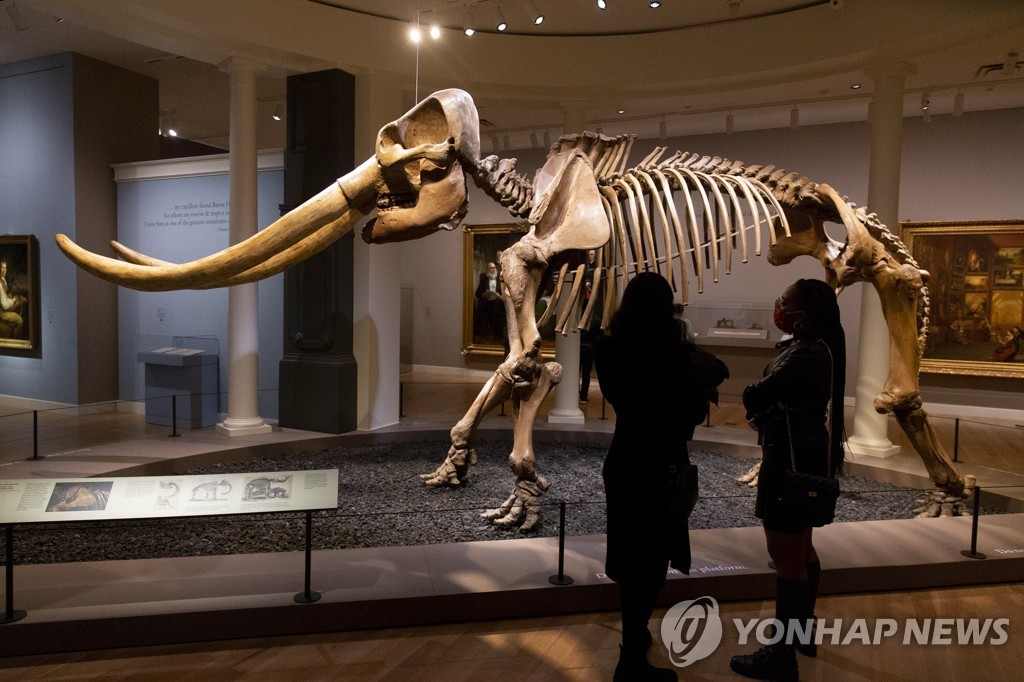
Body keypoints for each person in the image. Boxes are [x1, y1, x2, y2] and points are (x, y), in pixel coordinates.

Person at [595, 272, 728, 681]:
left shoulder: (610, 346)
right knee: (650, 561)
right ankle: (631, 659)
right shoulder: (672, 352)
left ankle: (633, 641)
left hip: (624, 457)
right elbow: (710, 382)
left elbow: (621, 396)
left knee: (629, 553)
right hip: (660, 462)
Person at [731, 278, 846, 682]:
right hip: (805, 455)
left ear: (802, 317)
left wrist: (755, 394)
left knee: (788, 560)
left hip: (789, 463)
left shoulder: (805, 354)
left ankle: (781, 656)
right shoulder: (816, 349)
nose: (779, 306)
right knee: (803, 549)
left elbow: (757, 394)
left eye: (786, 303)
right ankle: (803, 630)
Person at [0, 259, 27, 338]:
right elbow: (5, 305)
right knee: (20, 321)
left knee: (22, 302)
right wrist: (15, 300)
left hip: (4, 308)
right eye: (2, 268)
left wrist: (14, 298)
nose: (4, 270)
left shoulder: (3, 280)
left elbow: (5, 297)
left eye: (5, 268)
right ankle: (15, 340)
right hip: (2, 313)